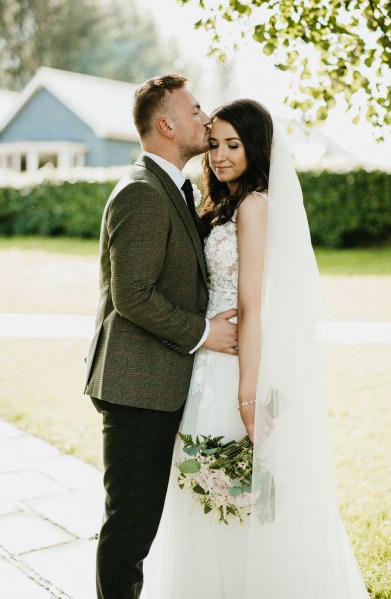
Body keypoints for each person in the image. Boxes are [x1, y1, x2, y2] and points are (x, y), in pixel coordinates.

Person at [141, 99, 370, 598]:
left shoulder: (254, 206)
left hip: (233, 374)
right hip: (205, 365)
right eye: (215, 144)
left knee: (231, 498)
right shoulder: (221, 203)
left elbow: (252, 305)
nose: (219, 156)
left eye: (233, 145)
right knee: (203, 492)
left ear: (256, 148)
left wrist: (247, 396)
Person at [84, 74, 239, 599]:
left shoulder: (178, 188)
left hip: (160, 382)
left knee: (141, 518)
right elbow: (133, 295)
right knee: (129, 526)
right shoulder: (142, 193)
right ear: (167, 124)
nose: (206, 117)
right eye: (196, 110)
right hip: (136, 387)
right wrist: (204, 333)